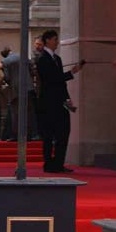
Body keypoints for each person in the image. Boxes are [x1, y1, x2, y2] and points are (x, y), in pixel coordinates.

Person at [30, 30, 78, 173]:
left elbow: (60, 84)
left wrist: (67, 99)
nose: (57, 42)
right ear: (48, 40)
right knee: (49, 135)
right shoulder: (42, 59)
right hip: (48, 102)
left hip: (59, 101)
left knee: (63, 132)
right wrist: (71, 73)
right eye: (55, 39)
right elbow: (51, 80)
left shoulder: (57, 58)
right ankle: (49, 163)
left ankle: (58, 162)